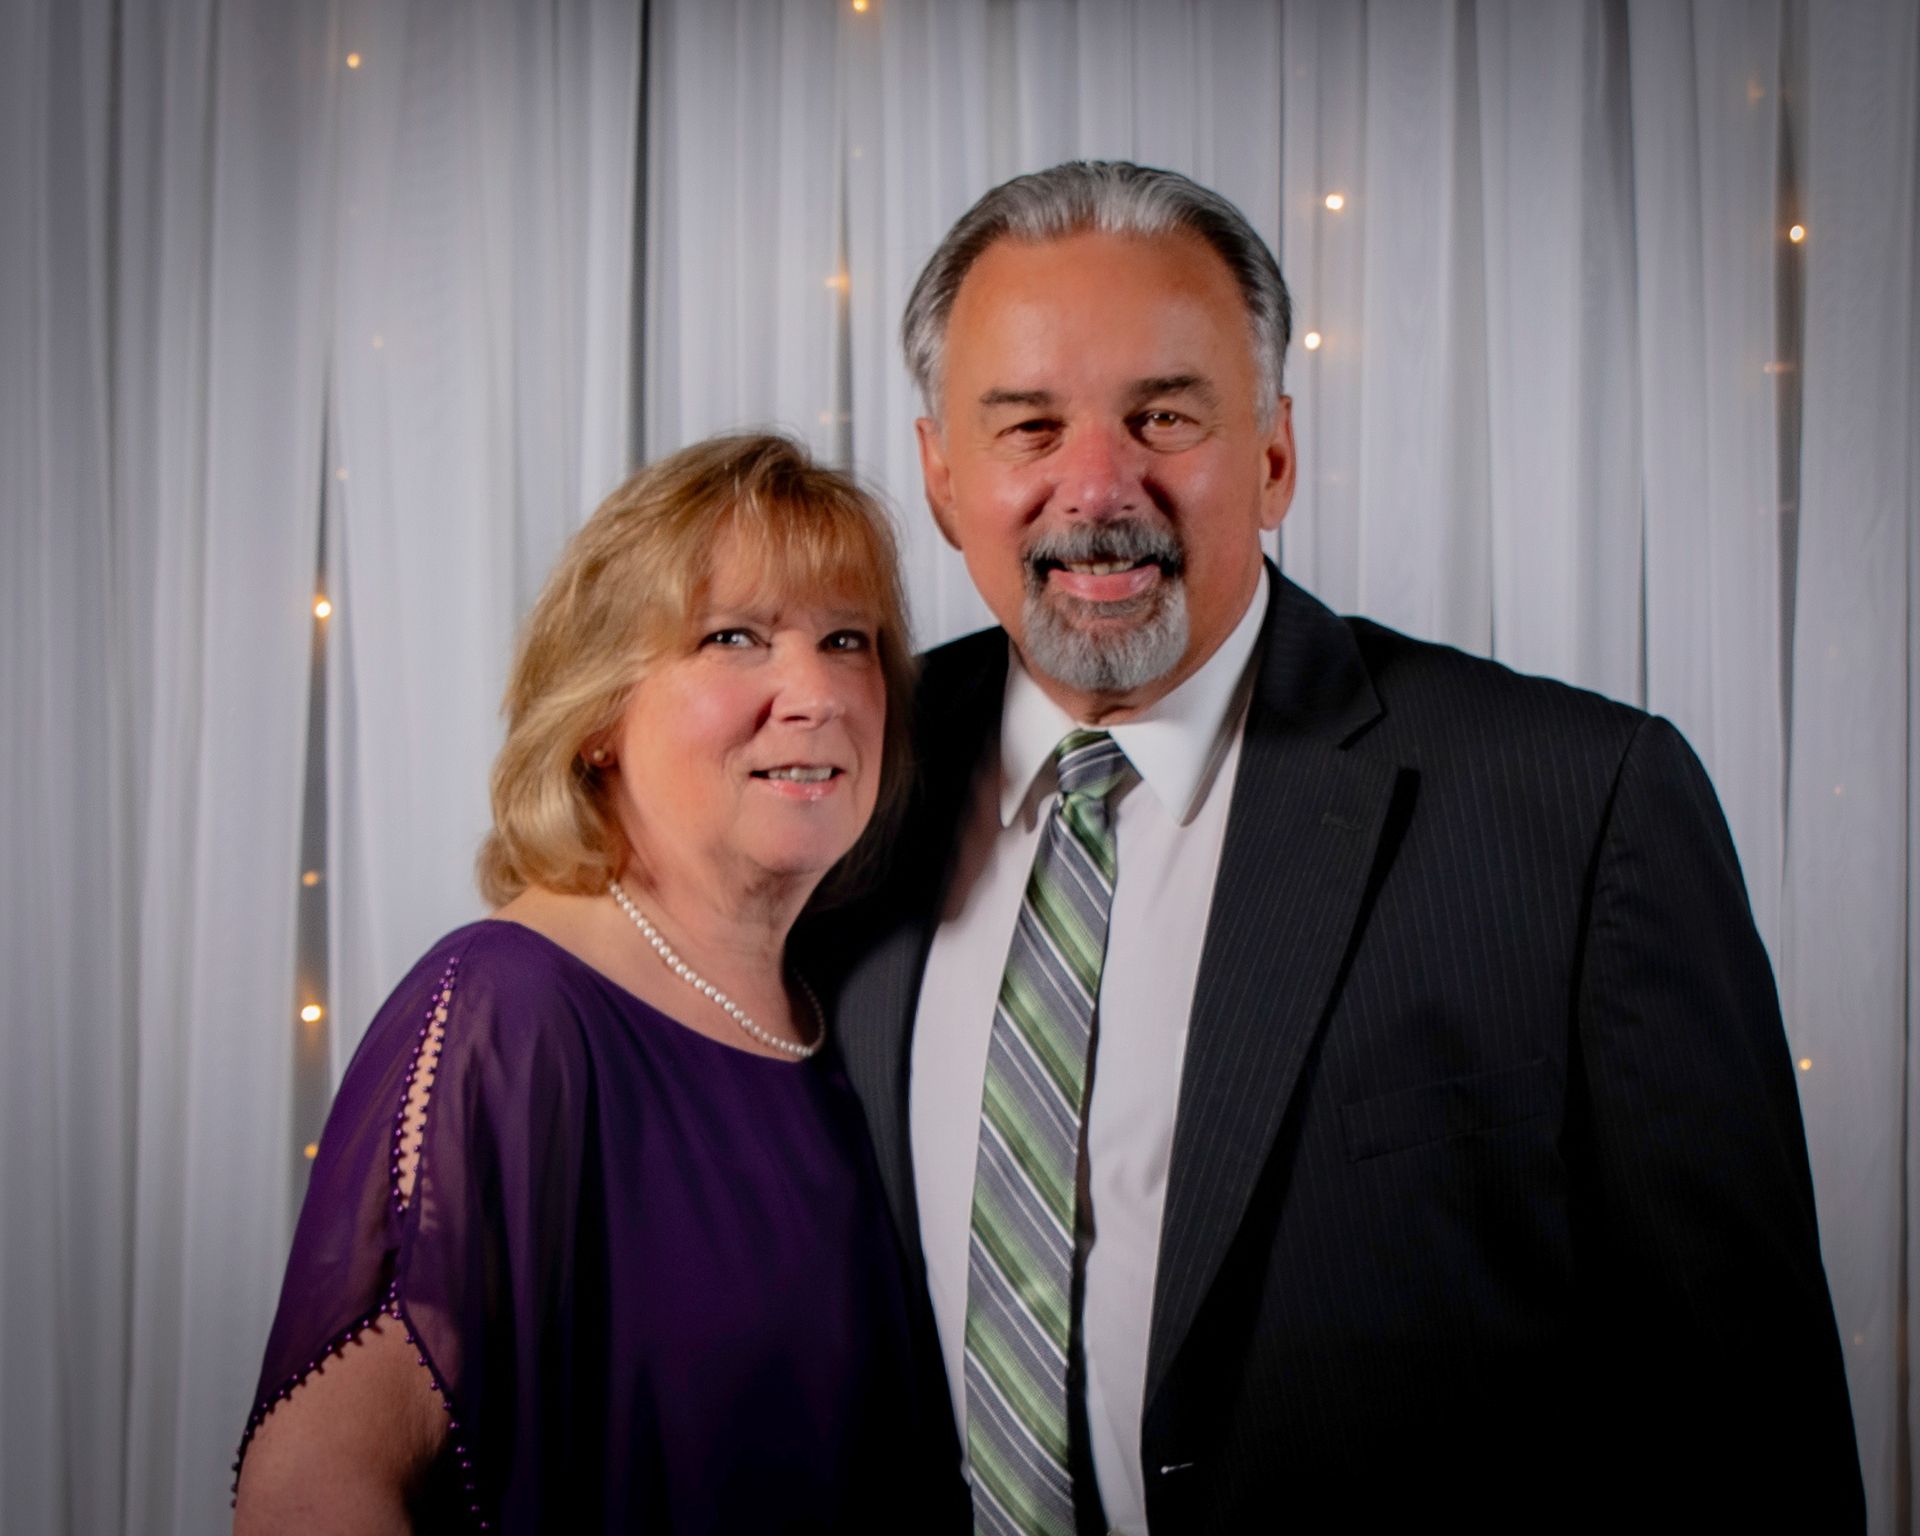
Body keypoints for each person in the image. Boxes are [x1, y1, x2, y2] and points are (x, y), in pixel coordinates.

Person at [816, 161, 1864, 1532]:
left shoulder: (1577, 806)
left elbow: (1751, 1434)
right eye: (1027, 426)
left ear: (1273, 456)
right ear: (943, 477)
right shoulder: (841, 781)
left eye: (1164, 414)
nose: (1098, 487)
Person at [234, 433, 964, 1532]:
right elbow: (310, 1494)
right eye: (735, 638)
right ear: (596, 722)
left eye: (845, 639)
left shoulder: (851, 1012)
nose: (814, 693)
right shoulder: (510, 1012)